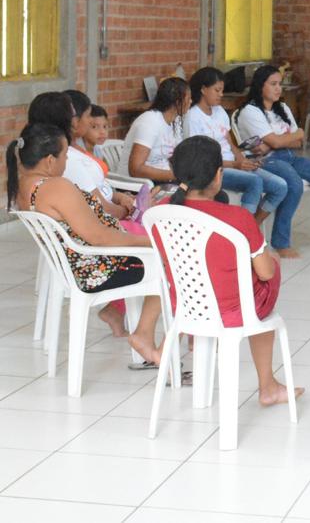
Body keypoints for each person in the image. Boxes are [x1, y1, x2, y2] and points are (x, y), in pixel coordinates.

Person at [157, 136, 304, 407]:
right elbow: (266, 274)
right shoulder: (239, 218)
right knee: (270, 266)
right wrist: (269, 258)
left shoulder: (161, 212)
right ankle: (268, 386)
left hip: (186, 306)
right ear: (218, 175)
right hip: (233, 310)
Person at [6, 123, 165, 361]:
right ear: (49, 160)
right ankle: (144, 334)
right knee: (170, 263)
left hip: (79, 265)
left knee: (162, 254)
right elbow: (98, 237)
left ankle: (133, 325)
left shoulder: (22, 186)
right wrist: (147, 243)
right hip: (96, 268)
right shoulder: (56, 187)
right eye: (65, 156)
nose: (66, 162)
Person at [236, 64, 310, 257]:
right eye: (273, 84)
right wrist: (282, 140)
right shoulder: (250, 111)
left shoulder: (283, 108)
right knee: (293, 184)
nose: (278, 88)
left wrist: (278, 141)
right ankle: (281, 242)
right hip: (266, 161)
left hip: (289, 156)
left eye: (279, 84)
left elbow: (298, 140)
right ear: (260, 86)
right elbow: (281, 140)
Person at [186, 66, 287, 225]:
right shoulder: (192, 117)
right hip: (213, 171)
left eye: (222, 90)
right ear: (203, 89)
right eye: (217, 90)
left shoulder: (219, 111)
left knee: (280, 186)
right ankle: (244, 232)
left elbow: (230, 143)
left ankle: (251, 225)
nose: (221, 94)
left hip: (233, 164)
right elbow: (202, 159)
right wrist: (235, 164)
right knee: (254, 182)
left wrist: (243, 160)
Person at [30, 92, 132, 221]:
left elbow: (98, 194)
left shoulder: (68, 153)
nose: (90, 121)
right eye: (88, 116)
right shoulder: (67, 160)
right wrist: (131, 211)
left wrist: (119, 197)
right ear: (71, 121)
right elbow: (101, 210)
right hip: (108, 223)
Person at [122, 77, 189, 184]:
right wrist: (175, 176)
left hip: (163, 180)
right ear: (178, 102)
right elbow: (135, 169)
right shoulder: (150, 122)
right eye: (188, 98)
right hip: (139, 185)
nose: (190, 102)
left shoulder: (175, 121)